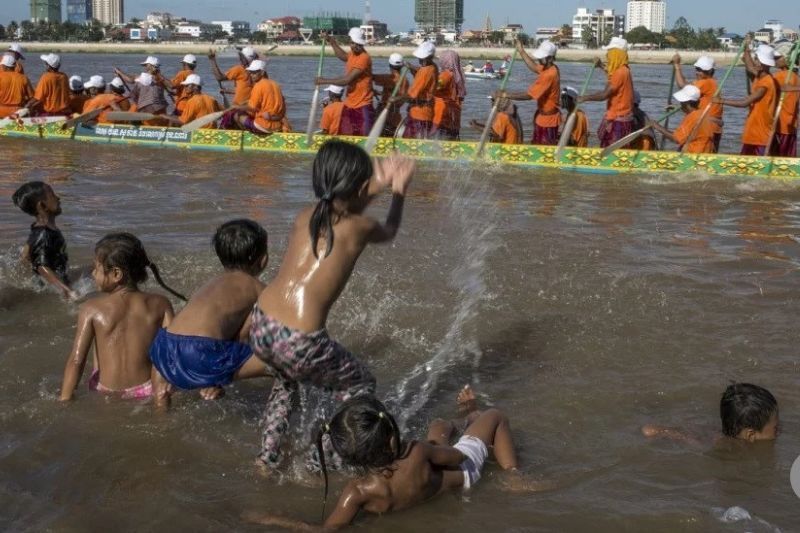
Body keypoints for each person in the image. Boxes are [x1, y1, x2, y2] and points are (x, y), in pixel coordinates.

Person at [249, 140, 414, 472]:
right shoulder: (361, 227)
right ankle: (318, 462)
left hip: (261, 324)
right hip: (301, 339)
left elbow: (348, 208)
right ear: (357, 187)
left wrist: (378, 182)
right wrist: (398, 191)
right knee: (360, 385)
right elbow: (390, 229)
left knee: (285, 381)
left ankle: (267, 458)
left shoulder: (306, 215)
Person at [247, 386, 532, 530]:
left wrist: (277, 520)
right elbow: (456, 457)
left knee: (439, 427)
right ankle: (513, 475)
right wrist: (436, 447)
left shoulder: (356, 493)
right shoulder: (417, 450)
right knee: (492, 418)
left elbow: (328, 530)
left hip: (433, 470)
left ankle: (465, 416)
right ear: (392, 437)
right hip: (467, 473)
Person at [149, 220, 273, 407]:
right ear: (263, 259)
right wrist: (218, 377)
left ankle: (161, 409)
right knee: (281, 364)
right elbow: (243, 336)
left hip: (163, 348)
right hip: (201, 354)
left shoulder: (212, 284)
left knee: (165, 387)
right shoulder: (259, 289)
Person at [59, 233, 186, 401]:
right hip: (148, 390)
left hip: (106, 392)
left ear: (116, 274)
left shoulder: (91, 308)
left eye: (96, 268)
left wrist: (64, 399)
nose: (93, 273)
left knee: (100, 343)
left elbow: (76, 360)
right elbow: (173, 352)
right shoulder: (160, 304)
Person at [642, 383, 779, 445]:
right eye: (776, 428)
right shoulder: (723, 448)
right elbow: (648, 430)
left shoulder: (732, 433)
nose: (779, 432)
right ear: (750, 435)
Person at [716, 41, 778, 156]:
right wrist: (746, 48)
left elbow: (744, 103)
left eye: (757, 59)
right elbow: (749, 66)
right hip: (752, 130)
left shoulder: (766, 83)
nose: (755, 62)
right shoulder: (759, 76)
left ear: (761, 63)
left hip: (761, 132)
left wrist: (721, 101)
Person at [12, 181, 73, 298]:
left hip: (47, 281)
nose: (58, 198)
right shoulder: (45, 234)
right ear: (42, 206)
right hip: (48, 288)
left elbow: (26, 254)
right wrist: (64, 289)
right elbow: (41, 267)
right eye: (53, 195)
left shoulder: (39, 230)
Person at [316, 28, 375, 136]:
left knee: (363, 136)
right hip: (349, 104)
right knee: (345, 135)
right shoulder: (353, 54)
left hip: (363, 104)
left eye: (359, 44)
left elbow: (347, 80)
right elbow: (342, 56)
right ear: (350, 42)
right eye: (353, 43)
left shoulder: (364, 58)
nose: (356, 46)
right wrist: (331, 41)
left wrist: (323, 81)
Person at [579, 37, 635, 148]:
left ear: (616, 54)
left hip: (619, 121)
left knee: (611, 151)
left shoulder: (620, 73)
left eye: (610, 53)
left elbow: (605, 95)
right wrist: (600, 65)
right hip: (622, 118)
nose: (607, 56)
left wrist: (584, 98)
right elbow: (611, 74)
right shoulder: (624, 69)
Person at [501, 40, 561, 145]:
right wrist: (521, 51)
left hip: (548, 120)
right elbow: (533, 66)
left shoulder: (549, 74)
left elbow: (529, 95)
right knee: (537, 144)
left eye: (541, 57)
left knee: (544, 148)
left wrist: (506, 95)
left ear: (550, 58)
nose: (538, 59)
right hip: (542, 117)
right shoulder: (550, 67)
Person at [672, 54, 723, 152]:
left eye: (701, 70)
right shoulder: (711, 83)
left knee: (686, 150)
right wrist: (676, 107)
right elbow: (690, 96)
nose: (697, 72)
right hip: (710, 126)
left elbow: (683, 86)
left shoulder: (707, 82)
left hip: (707, 126)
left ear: (710, 71)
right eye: (697, 69)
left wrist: (677, 66)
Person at [649, 85, 716, 154]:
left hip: (694, 155)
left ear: (686, 103)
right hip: (706, 153)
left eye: (681, 102)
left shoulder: (692, 117)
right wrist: (679, 108)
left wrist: (656, 126)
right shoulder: (702, 112)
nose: (680, 104)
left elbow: (676, 139)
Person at [393, 42, 437, 139]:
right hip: (423, 113)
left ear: (430, 57)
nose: (421, 60)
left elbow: (411, 95)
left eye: (423, 58)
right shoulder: (433, 67)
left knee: (410, 143)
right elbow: (420, 71)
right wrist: (411, 67)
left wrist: (395, 99)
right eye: (421, 58)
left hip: (420, 115)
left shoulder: (425, 71)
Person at [230, 59, 286, 133]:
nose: (251, 75)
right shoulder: (275, 84)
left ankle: (250, 136)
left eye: (254, 73)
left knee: (237, 116)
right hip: (277, 125)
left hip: (263, 126)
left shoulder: (259, 85)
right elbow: (282, 108)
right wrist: (244, 103)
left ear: (262, 72)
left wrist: (237, 107)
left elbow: (252, 108)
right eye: (250, 72)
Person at [115, 57, 170, 126]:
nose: (145, 67)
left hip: (148, 110)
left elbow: (130, 80)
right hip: (161, 109)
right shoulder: (161, 78)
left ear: (150, 66)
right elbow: (171, 86)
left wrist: (119, 72)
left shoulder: (144, 77)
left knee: (133, 118)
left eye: (146, 65)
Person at [772, 43, 799, 157]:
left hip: (780, 123)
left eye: (778, 58)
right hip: (791, 123)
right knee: (788, 154)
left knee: (779, 155)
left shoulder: (781, 75)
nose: (775, 61)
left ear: (786, 58)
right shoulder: (795, 76)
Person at [372, 53, 409, 137]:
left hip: (385, 112)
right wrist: (380, 93)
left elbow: (371, 77)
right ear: (401, 66)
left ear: (390, 65)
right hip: (396, 114)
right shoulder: (405, 81)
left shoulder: (388, 78)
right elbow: (402, 97)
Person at [433, 50, 466, 140]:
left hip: (442, 116)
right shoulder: (459, 77)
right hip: (454, 120)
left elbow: (433, 88)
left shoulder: (445, 75)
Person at [0, 54, 33, 118]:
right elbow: (31, 98)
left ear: (5, 66)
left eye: (2, 65)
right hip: (18, 112)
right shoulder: (23, 78)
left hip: (1, 112)